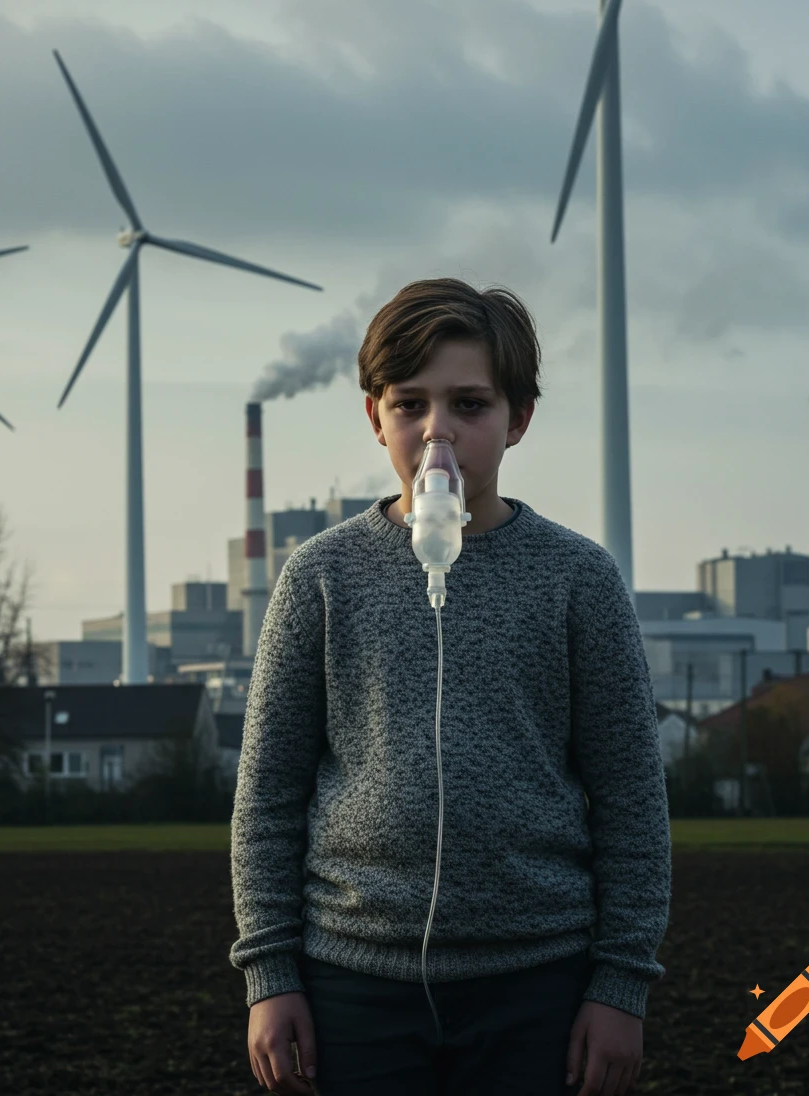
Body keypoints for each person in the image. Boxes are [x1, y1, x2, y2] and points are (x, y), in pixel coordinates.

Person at [230, 277, 672, 1096]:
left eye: (470, 405)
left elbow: (631, 798)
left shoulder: (578, 579)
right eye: (410, 404)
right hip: (352, 984)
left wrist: (621, 984)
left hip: (537, 982)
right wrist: (270, 974)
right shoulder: (321, 577)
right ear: (376, 417)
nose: (438, 432)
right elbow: (268, 795)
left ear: (518, 418)